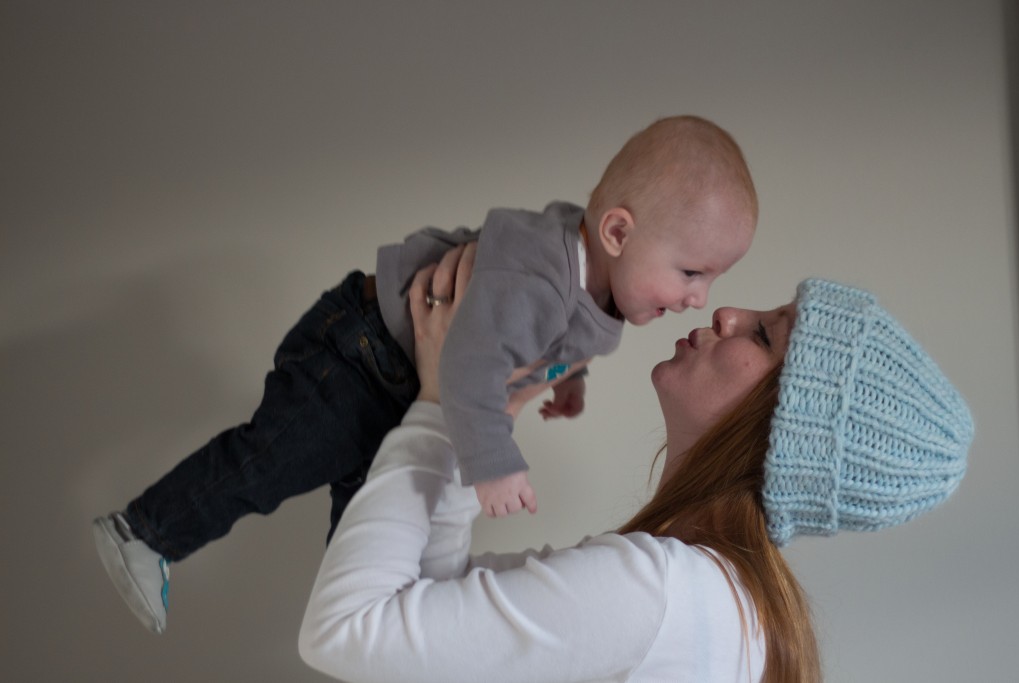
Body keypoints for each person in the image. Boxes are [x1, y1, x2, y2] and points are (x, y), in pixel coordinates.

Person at [92, 115, 759, 634]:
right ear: (616, 232)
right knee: (269, 462)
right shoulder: (538, 278)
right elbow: (468, 359)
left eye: (712, 279)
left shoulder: (602, 289)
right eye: (691, 271)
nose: (699, 298)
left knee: (371, 547)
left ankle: (361, 634)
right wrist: (492, 462)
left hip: (400, 384)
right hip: (362, 356)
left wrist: (568, 380)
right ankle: (143, 532)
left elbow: (549, 342)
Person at [298, 247, 973, 683]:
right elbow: (436, 616)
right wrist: (483, 417)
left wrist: (443, 398)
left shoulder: (659, 591)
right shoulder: (731, 608)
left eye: (767, 334)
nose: (731, 311)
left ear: (787, 427)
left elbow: (344, 630)